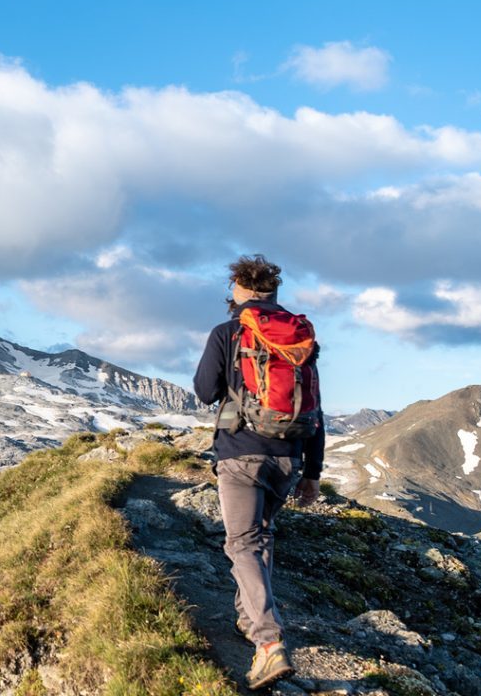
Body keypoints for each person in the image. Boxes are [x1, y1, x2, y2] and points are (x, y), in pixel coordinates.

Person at [193, 254, 324, 690]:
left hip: (241, 453)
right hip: (289, 455)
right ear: (273, 293)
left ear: (238, 293)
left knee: (243, 543)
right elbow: (316, 408)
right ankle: (249, 622)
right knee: (260, 537)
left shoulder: (228, 332)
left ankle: (268, 643)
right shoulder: (299, 338)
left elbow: (206, 391)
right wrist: (312, 473)